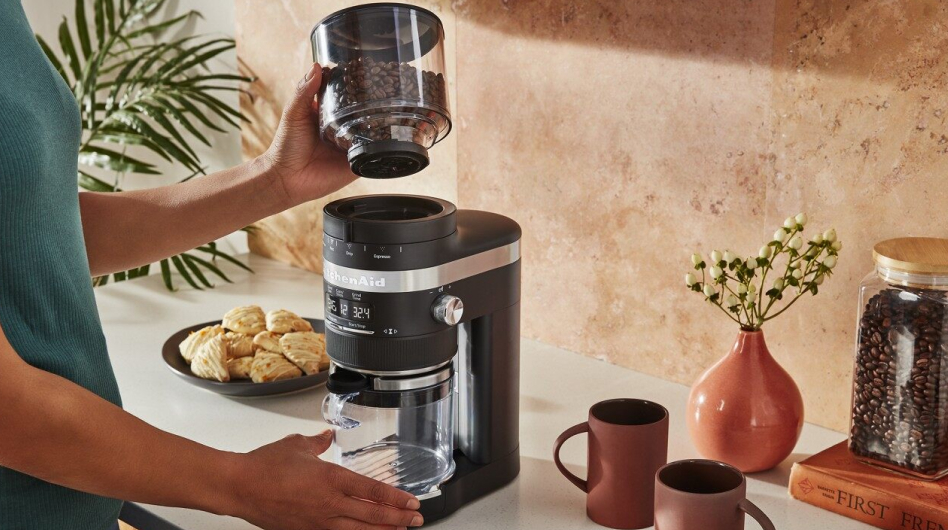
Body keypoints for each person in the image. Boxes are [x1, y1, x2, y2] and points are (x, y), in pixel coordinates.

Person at [0, 2, 424, 529]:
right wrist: (242, 485)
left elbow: (37, 225)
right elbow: (8, 410)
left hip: (82, 505)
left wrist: (275, 179)